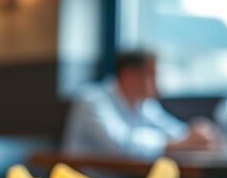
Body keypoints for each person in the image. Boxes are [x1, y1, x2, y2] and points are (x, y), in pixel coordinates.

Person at [62, 50, 218, 159]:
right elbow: (121, 144)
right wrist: (176, 143)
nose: (158, 82)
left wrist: (196, 133)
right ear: (130, 75)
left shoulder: (144, 105)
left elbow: (175, 131)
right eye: (152, 75)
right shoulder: (92, 99)